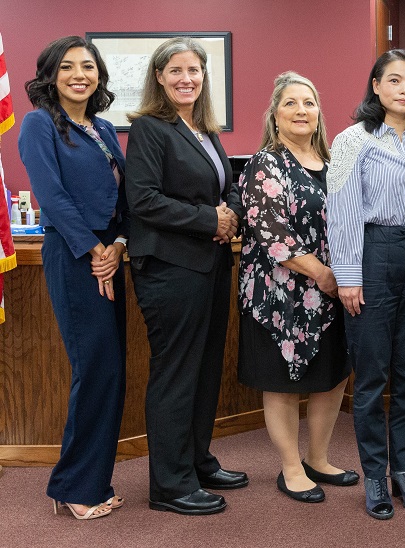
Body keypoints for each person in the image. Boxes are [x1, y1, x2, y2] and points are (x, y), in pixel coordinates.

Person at [125, 37, 246, 516]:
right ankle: (170, 485)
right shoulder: (150, 128)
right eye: (175, 70)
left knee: (205, 369)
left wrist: (229, 214)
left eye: (194, 70)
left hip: (210, 266)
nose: (186, 78)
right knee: (176, 373)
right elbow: (144, 200)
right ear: (159, 77)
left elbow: (227, 186)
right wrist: (209, 219)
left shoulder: (204, 129)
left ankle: (196, 461)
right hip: (170, 270)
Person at [327, 49, 405, 521]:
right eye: (394, 80)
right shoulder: (351, 140)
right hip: (373, 255)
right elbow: (342, 211)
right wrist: (348, 276)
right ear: (375, 86)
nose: (404, 90)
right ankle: (375, 474)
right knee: (372, 376)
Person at [18, 35, 127, 521]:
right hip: (74, 252)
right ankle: (75, 488)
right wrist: (95, 250)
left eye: (87, 66)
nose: (79, 74)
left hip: (108, 253)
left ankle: (87, 481)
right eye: (66, 66)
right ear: (50, 74)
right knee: (96, 368)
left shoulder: (102, 127)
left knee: (110, 370)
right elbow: (51, 196)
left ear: (99, 74)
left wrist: (117, 245)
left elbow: (125, 197)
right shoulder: (39, 124)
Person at [236, 72, 357, 503]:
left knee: (332, 377)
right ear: (275, 115)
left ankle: (318, 458)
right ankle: (290, 468)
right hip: (279, 294)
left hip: (333, 293)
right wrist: (322, 274)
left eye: (309, 102)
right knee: (281, 381)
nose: (301, 110)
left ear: (319, 112)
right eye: (290, 103)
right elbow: (272, 234)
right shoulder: (265, 163)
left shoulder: (333, 163)